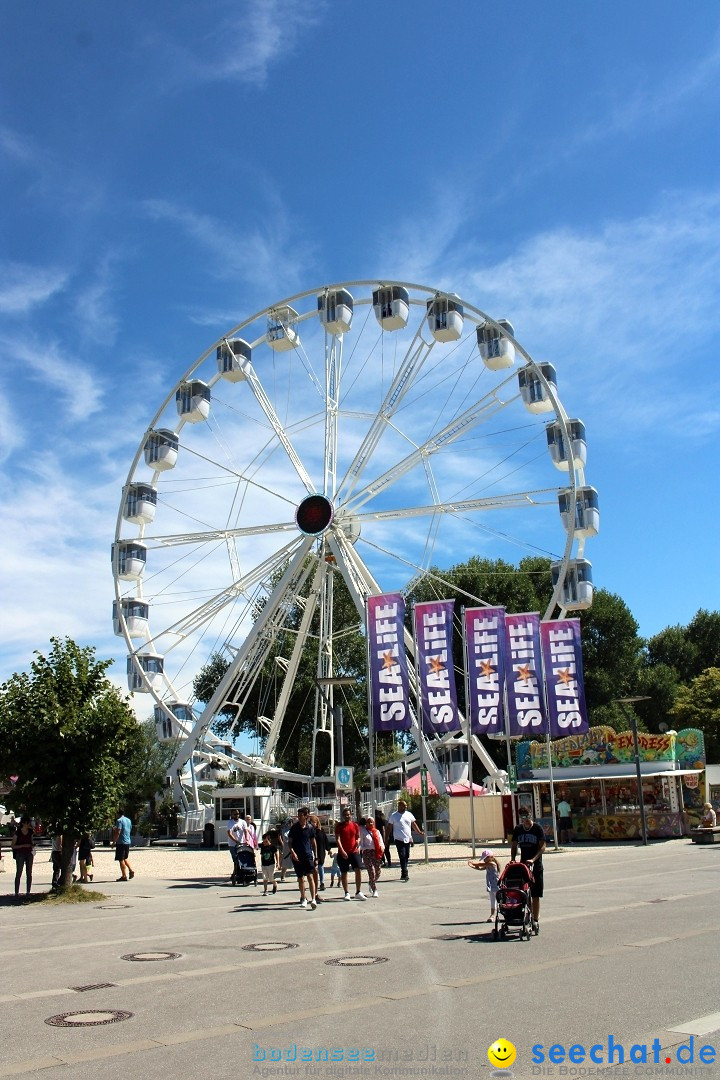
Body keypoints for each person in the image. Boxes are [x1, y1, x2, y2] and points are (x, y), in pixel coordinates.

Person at [510, 807, 546, 933]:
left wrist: (534, 859)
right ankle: (528, 914)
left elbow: (542, 847)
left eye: (527, 815)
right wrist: (513, 859)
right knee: (524, 893)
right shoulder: (518, 829)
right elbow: (514, 845)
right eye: (523, 816)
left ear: (531, 815)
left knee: (535, 894)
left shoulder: (537, 829)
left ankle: (535, 919)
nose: (525, 818)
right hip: (523, 866)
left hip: (535, 866)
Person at [288, 807, 318, 909]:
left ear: (306, 816)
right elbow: (290, 842)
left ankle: (313, 899)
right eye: (298, 815)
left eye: (301, 815)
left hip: (308, 856)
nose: (299, 817)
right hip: (297, 857)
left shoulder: (310, 828)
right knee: (300, 878)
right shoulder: (294, 828)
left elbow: (313, 843)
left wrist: (316, 856)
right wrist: (293, 853)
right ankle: (303, 898)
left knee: (310, 877)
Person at [388, 799, 424, 881]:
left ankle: (404, 870)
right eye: (403, 806)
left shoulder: (409, 814)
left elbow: (413, 824)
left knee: (406, 855)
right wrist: (386, 837)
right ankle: (404, 872)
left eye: (406, 806)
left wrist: (419, 832)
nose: (405, 807)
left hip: (407, 839)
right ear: (399, 806)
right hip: (398, 838)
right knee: (402, 855)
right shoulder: (394, 816)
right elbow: (389, 827)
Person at [334, 807, 366, 900]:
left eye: (348, 815)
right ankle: (346, 892)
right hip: (343, 852)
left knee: (358, 869)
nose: (346, 816)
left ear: (351, 815)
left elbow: (358, 837)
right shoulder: (339, 826)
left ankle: (358, 891)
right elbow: (338, 839)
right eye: (345, 815)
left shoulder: (355, 825)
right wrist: (342, 850)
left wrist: (357, 841)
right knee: (344, 872)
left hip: (354, 851)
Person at [468, 849, 501, 921]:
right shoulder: (488, 865)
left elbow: (480, 865)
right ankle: (492, 915)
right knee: (493, 900)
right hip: (490, 885)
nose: (484, 860)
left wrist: (473, 863)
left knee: (499, 900)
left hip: (496, 884)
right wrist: (473, 867)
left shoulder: (492, 864)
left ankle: (500, 913)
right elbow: (480, 868)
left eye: (485, 858)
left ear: (490, 857)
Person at [360, 816, 385, 897]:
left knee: (378, 871)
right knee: (371, 872)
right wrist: (362, 850)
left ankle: (371, 882)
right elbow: (361, 843)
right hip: (367, 853)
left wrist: (382, 847)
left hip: (376, 852)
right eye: (368, 822)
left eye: (371, 822)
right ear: (366, 823)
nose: (370, 823)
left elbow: (381, 841)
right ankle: (374, 890)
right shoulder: (363, 832)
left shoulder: (376, 831)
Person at [11, 815, 34, 898]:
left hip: (29, 853)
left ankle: (28, 892)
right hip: (20, 854)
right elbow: (13, 846)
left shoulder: (30, 832)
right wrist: (24, 845)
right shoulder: (18, 833)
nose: (29, 825)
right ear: (24, 823)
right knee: (19, 873)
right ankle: (16, 892)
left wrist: (32, 845)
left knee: (29, 873)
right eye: (28, 823)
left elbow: (31, 841)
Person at [309, 814, 329, 898]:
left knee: (320, 867)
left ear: (317, 822)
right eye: (311, 822)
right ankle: (314, 884)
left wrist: (329, 849)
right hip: (312, 852)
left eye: (314, 822)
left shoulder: (321, 831)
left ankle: (322, 882)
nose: (313, 824)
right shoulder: (309, 831)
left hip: (321, 851)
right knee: (314, 869)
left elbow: (325, 840)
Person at [227, 810, 248, 885]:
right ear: (232, 815)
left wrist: (247, 839)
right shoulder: (230, 823)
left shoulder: (243, 822)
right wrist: (235, 841)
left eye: (238, 814)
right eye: (235, 814)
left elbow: (246, 831)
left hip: (242, 843)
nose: (237, 815)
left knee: (241, 860)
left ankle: (237, 874)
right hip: (233, 845)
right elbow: (229, 833)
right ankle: (236, 874)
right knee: (236, 860)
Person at [113, 810, 135, 882]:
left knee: (121, 859)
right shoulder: (128, 820)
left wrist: (114, 842)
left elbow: (118, 832)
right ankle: (131, 870)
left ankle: (124, 875)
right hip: (127, 841)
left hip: (121, 842)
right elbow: (129, 829)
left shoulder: (119, 821)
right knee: (125, 857)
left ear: (118, 814)